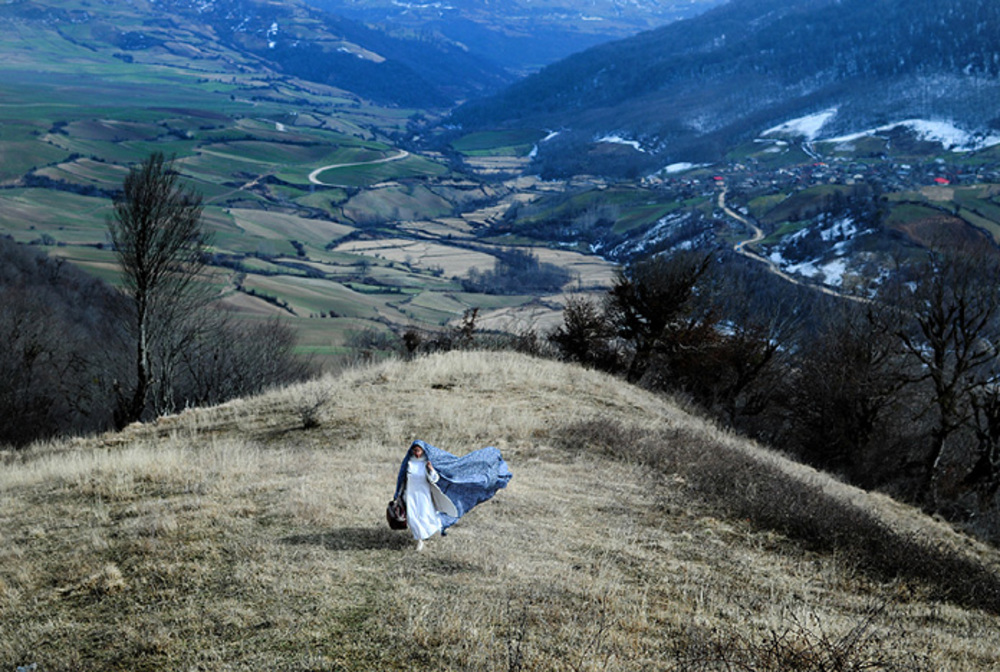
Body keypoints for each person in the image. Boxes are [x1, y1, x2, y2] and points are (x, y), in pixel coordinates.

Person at [393, 439, 512, 551]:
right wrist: (398, 494)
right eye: (415, 451)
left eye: (419, 451)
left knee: (424, 515)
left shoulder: (426, 462)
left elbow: (435, 478)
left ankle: (422, 537)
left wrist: (430, 469)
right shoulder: (409, 462)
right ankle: (419, 538)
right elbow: (402, 479)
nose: (417, 453)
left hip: (424, 493)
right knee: (412, 516)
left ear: (423, 451)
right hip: (410, 494)